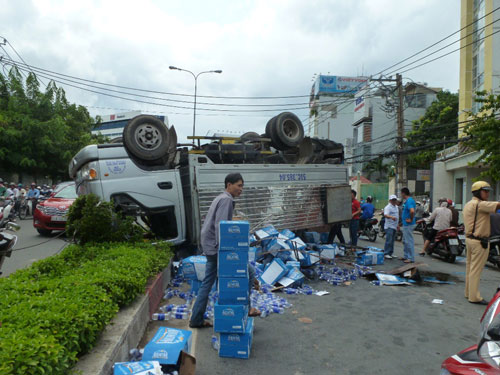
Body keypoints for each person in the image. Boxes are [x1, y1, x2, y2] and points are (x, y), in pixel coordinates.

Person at [190, 173, 260, 329]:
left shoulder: (221, 198)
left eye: (242, 186)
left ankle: (197, 319)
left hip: (210, 246)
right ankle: (245, 309)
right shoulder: (227, 199)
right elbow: (221, 227)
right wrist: (226, 251)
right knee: (248, 272)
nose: (241, 189)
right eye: (239, 185)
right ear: (229, 185)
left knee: (208, 283)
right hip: (216, 248)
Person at [464, 181, 500, 305]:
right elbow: (497, 205)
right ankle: (474, 297)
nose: (488, 193)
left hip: (469, 239)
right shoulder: (480, 204)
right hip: (479, 242)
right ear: (478, 192)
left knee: (470, 269)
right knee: (476, 271)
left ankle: (468, 293)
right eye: (485, 191)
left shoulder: (469, 204)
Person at [401, 187, 416, 263]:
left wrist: (410, 219)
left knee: (408, 241)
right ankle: (406, 256)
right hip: (405, 224)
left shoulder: (409, 201)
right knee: (404, 241)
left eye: (401, 193)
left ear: (403, 193)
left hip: (408, 224)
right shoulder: (407, 201)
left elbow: (412, 211)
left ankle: (411, 258)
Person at [383, 195, 400, 259]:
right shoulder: (388, 207)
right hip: (389, 226)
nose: (394, 201)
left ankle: (390, 252)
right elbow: (386, 215)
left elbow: (397, 216)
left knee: (392, 240)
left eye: (395, 200)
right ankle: (386, 253)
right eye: (392, 200)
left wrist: (397, 225)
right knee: (389, 240)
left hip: (394, 226)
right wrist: (391, 217)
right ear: (390, 200)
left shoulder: (396, 207)